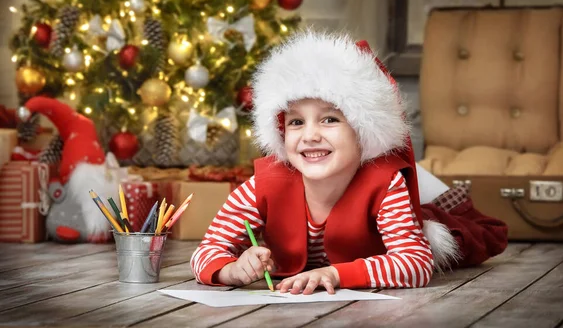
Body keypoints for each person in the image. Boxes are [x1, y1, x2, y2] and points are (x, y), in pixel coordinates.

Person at [190, 30, 508, 294]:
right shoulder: (264, 184)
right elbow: (206, 250)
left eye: (329, 119)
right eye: (296, 122)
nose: (310, 135)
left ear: (361, 129)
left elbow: (416, 262)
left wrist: (336, 275)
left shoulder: (386, 184)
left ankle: (439, 199)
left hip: (404, 200)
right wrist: (231, 269)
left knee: (465, 233)